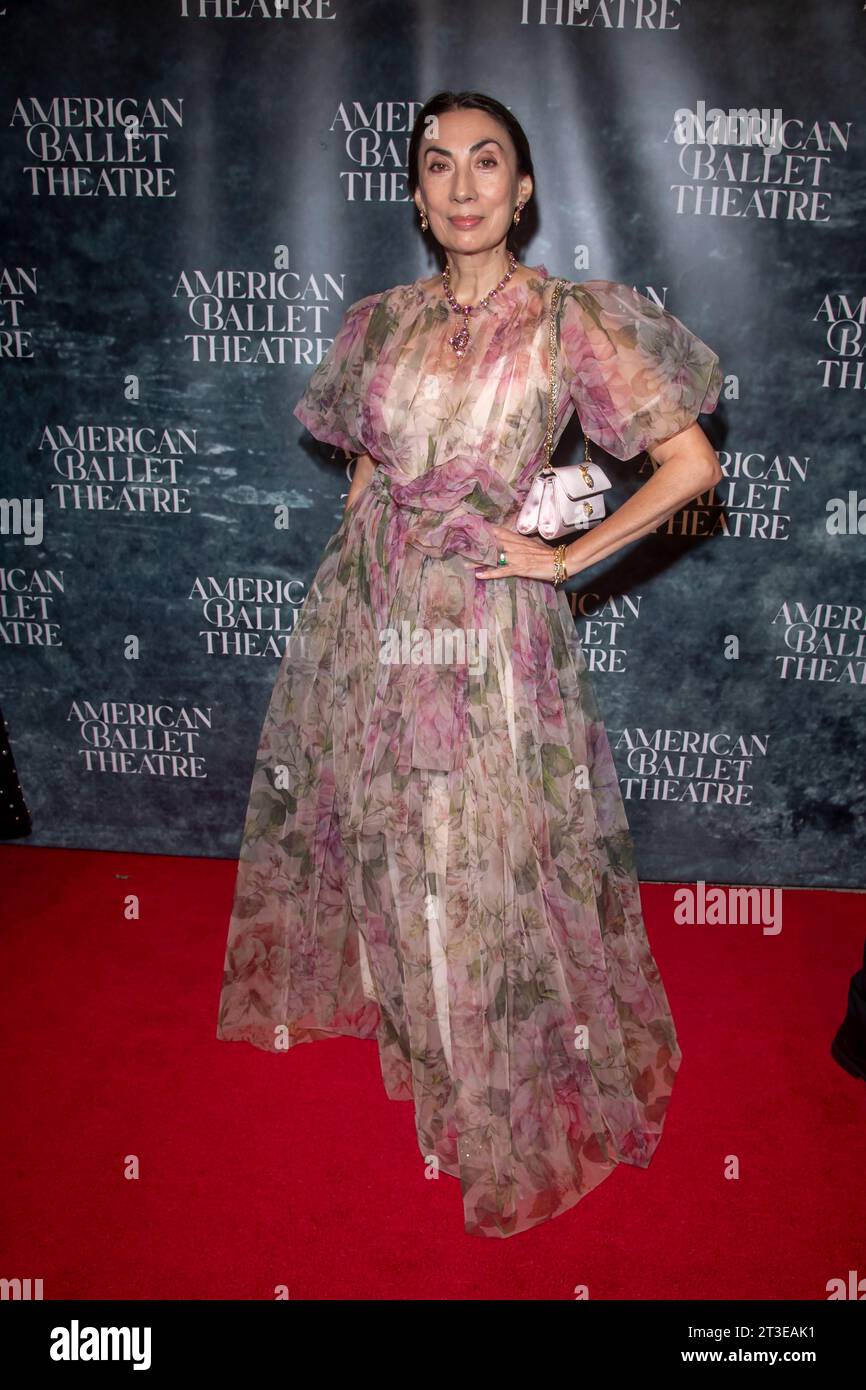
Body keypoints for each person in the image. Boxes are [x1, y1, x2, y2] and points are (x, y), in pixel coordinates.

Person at [216, 90, 724, 1239]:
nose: (460, 185)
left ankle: (488, 1081)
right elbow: (363, 473)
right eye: (437, 165)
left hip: (490, 619)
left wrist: (560, 559)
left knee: (479, 847)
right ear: (413, 193)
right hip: (377, 610)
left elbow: (689, 465)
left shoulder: (567, 320)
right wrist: (350, 603)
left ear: (523, 188)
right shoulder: (379, 324)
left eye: (485, 162)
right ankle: (433, 1055)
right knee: (398, 840)